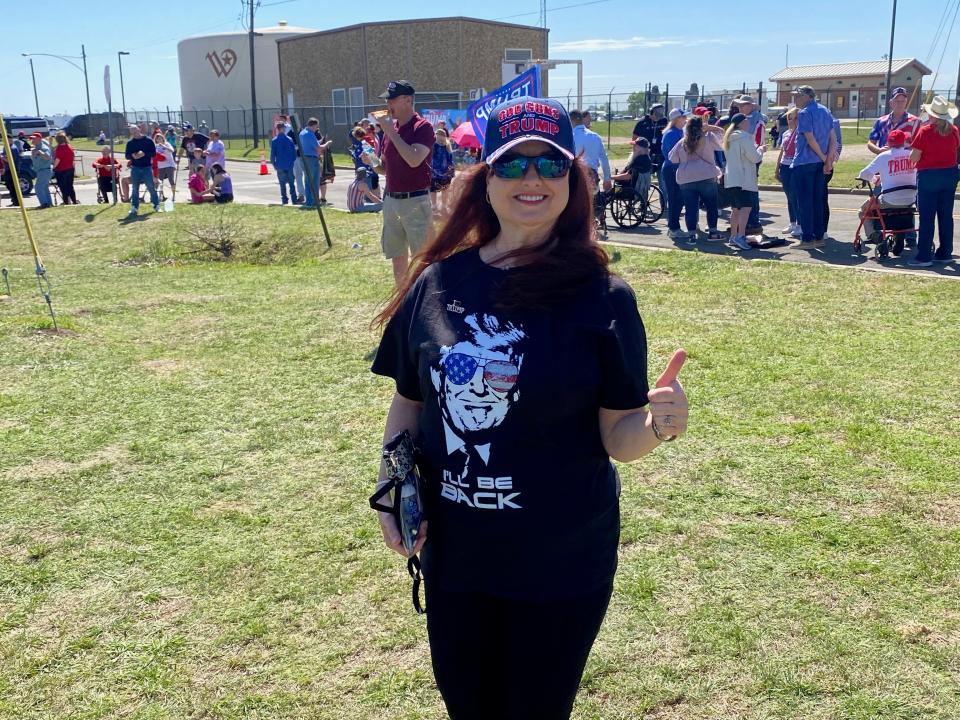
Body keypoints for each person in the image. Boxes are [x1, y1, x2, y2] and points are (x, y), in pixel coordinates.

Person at [371, 96, 689, 720]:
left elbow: (617, 435)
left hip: (560, 562)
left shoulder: (605, 299)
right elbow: (409, 399)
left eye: (550, 164)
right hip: (456, 556)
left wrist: (655, 424)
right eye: (512, 166)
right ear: (485, 181)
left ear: (573, 181)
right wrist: (391, 484)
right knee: (467, 704)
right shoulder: (437, 283)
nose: (532, 179)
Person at [377, 80, 435, 285]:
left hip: (415, 201)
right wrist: (373, 164)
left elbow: (414, 159)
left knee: (422, 257)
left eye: (391, 99)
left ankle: (422, 298)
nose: (388, 104)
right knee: (397, 255)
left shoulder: (423, 127)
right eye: (387, 99)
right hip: (392, 200)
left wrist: (390, 132)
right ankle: (401, 300)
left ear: (407, 100)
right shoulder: (391, 129)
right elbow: (386, 170)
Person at [908, 96, 960, 267]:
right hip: (950, 174)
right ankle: (945, 252)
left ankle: (924, 255)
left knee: (927, 217)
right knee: (946, 216)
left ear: (932, 115)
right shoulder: (954, 130)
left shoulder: (925, 131)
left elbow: (914, 156)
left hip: (929, 175)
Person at [790, 86, 836, 249]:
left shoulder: (804, 113)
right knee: (817, 201)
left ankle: (807, 238)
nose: (795, 99)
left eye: (797, 96)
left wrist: (824, 158)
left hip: (805, 162)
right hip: (819, 163)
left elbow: (809, 138)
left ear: (805, 96)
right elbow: (833, 138)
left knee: (804, 202)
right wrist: (827, 160)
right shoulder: (825, 111)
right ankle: (818, 236)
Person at [667, 114, 724, 241]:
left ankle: (691, 234)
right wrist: (711, 128)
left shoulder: (682, 142)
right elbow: (722, 142)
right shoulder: (708, 137)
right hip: (706, 176)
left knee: (690, 207)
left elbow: (672, 158)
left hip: (686, 178)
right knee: (711, 206)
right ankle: (713, 232)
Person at [856, 129, 916, 240]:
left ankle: (873, 234)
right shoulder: (912, 155)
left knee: (863, 211)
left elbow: (864, 174)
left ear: (888, 142)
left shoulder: (884, 156)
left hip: (889, 200)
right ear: (904, 142)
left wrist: (874, 179)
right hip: (910, 200)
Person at [723, 113, 765, 251]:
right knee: (746, 209)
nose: (748, 121)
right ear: (741, 123)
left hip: (732, 179)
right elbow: (755, 158)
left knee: (735, 209)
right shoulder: (744, 137)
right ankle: (740, 236)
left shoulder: (728, 139)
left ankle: (734, 236)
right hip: (744, 179)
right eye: (746, 120)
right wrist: (761, 149)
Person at [734, 95, 767, 237]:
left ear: (751, 106)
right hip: (747, 157)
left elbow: (757, 141)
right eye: (740, 105)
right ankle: (748, 222)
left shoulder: (755, 120)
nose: (741, 107)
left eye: (744, 105)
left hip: (750, 157)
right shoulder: (750, 118)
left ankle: (752, 222)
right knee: (747, 190)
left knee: (750, 191)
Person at [660, 108, 688, 239]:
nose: (685, 119)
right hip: (672, 168)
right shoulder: (671, 133)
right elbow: (674, 154)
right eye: (683, 117)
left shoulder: (680, 132)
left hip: (677, 167)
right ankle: (673, 228)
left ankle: (674, 226)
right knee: (675, 198)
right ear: (677, 119)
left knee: (680, 198)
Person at [868, 87, 920, 155]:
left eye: (903, 101)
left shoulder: (915, 122)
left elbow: (919, 145)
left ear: (906, 102)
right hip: (885, 162)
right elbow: (871, 142)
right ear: (891, 102)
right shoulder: (881, 121)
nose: (900, 104)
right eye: (897, 101)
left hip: (905, 163)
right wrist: (879, 151)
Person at [774, 108, 801, 238]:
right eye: (789, 118)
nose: (791, 121)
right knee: (789, 195)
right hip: (785, 165)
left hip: (795, 166)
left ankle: (800, 224)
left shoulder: (802, 133)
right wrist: (777, 167)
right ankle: (792, 222)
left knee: (796, 195)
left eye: (795, 118)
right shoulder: (786, 134)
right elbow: (782, 152)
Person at [570, 109, 611, 193]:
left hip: (576, 177)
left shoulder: (570, 137)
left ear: (572, 121)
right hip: (593, 177)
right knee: (594, 202)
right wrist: (607, 179)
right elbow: (604, 159)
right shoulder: (595, 137)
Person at [124, 124, 160, 216]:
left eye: (135, 130)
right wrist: (133, 155)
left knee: (151, 186)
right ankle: (134, 207)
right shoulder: (130, 143)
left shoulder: (148, 141)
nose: (134, 133)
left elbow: (153, 153)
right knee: (135, 188)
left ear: (139, 129)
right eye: (132, 132)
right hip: (135, 168)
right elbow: (127, 155)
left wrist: (144, 154)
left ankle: (156, 205)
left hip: (147, 167)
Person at [298, 118, 324, 208]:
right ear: (313, 125)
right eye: (316, 126)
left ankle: (312, 201)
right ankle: (312, 201)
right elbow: (318, 148)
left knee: (309, 180)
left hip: (305, 158)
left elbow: (312, 144)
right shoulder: (310, 134)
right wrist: (327, 143)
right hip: (311, 159)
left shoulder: (302, 133)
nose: (317, 129)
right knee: (313, 181)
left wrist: (321, 142)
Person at [271, 121, 297, 205]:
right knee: (291, 183)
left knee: (282, 184)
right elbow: (294, 154)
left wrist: (274, 164)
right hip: (289, 165)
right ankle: (294, 199)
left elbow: (272, 156)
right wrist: (291, 162)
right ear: (283, 128)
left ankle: (284, 200)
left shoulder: (274, 141)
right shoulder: (290, 140)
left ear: (278, 129)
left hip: (280, 165)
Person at [430, 127, 456, 212]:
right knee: (445, 190)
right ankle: (444, 206)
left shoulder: (433, 145)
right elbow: (450, 160)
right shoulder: (448, 145)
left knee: (433, 190)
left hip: (435, 173)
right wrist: (452, 172)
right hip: (446, 173)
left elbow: (430, 157)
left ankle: (434, 206)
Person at [52, 132, 78, 205]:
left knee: (63, 188)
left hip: (61, 170)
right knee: (70, 186)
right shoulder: (69, 146)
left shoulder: (60, 148)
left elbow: (58, 160)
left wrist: (53, 167)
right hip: (70, 169)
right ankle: (74, 201)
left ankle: (66, 202)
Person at [29, 133, 54, 209]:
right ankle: (48, 203)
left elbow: (48, 157)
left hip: (45, 170)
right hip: (40, 171)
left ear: (39, 139)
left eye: (34, 139)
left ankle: (44, 204)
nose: (32, 140)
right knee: (44, 187)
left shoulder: (44, 148)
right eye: (32, 139)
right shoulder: (35, 148)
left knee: (38, 187)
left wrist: (40, 152)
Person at [154, 132, 177, 200]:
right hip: (160, 165)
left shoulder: (167, 144)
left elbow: (172, 150)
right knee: (160, 181)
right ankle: (160, 196)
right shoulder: (155, 146)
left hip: (169, 164)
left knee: (171, 180)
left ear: (163, 138)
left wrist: (164, 146)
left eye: (160, 138)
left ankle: (173, 195)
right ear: (156, 140)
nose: (159, 139)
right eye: (158, 139)